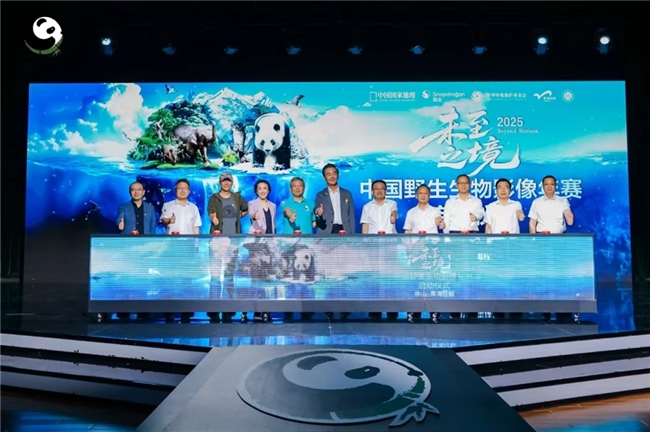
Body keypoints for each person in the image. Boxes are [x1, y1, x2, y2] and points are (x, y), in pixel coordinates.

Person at [528, 175, 575, 323]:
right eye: (546, 184)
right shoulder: (537, 202)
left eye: (552, 184)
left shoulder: (562, 201)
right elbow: (532, 222)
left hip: (559, 241)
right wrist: (533, 239)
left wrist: (569, 217)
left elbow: (567, 212)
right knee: (543, 275)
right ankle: (545, 309)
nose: (549, 186)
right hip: (542, 241)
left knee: (560, 274)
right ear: (542, 186)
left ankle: (562, 308)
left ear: (555, 186)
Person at [314, 163, 356, 319]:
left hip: (344, 232)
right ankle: (329, 305)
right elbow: (316, 211)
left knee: (344, 269)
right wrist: (318, 212)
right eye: (328, 174)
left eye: (334, 173)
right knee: (328, 270)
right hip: (327, 232)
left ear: (338, 175)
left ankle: (345, 306)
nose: (331, 176)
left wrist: (351, 236)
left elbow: (351, 216)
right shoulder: (321, 195)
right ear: (324, 177)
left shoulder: (346, 194)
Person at [206, 171, 249, 322]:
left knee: (230, 274)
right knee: (215, 275)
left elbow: (245, 209)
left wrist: (238, 216)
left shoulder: (237, 197)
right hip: (217, 239)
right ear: (220, 182)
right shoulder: (214, 198)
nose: (226, 183)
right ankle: (213, 308)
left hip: (233, 240)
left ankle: (228, 308)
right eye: (224, 181)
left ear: (231, 183)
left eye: (228, 181)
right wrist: (214, 218)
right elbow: (211, 212)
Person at [113, 181, 157, 321]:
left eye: (139, 189)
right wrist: (120, 223)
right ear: (130, 192)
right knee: (126, 278)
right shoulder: (124, 207)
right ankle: (123, 309)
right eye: (133, 190)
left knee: (142, 278)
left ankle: (142, 308)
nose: (136, 192)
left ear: (143, 192)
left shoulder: (150, 208)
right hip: (128, 247)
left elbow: (152, 228)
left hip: (145, 248)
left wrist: (153, 246)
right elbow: (119, 218)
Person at [160, 178, 202, 322]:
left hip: (188, 245)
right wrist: (169, 221)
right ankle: (169, 310)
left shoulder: (193, 208)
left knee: (187, 277)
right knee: (170, 277)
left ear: (189, 191)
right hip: (172, 244)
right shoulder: (168, 205)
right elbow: (164, 220)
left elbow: (196, 227)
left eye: (185, 188)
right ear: (175, 190)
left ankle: (186, 309)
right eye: (180, 188)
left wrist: (196, 245)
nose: (182, 190)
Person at [443, 174, 484, 319]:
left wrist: (475, 217)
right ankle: (455, 308)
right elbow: (446, 221)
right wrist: (447, 240)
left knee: (472, 271)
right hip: (455, 236)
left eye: (466, 183)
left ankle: (472, 308)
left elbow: (481, 213)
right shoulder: (450, 202)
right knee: (456, 272)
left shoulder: (476, 201)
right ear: (456, 185)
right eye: (460, 183)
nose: (463, 185)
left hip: (472, 236)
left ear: (470, 184)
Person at [403, 184, 446, 323]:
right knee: (416, 280)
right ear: (416, 195)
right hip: (416, 250)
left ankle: (434, 310)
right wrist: (408, 248)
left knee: (432, 280)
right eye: (420, 193)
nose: (423, 195)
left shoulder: (435, 210)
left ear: (429, 195)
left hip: (432, 249)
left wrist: (440, 223)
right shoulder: (411, 212)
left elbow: (438, 219)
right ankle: (414, 310)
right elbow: (407, 231)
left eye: (425, 193)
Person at [484, 178, 525, 320]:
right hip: (496, 245)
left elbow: (519, 213)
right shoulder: (491, 207)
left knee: (514, 276)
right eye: (500, 187)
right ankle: (498, 309)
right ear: (496, 190)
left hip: (512, 244)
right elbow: (488, 226)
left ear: (510, 190)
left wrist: (520, 215)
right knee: (497, 277)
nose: (503, 190)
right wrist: (488, 244)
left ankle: (515, 309)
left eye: (506, 187)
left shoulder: (516, 204)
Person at [279, 177, 317, 321]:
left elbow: (314, 223)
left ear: (304, 188)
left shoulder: (311, 204)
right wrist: (291, 215)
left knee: (308, 278)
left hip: (307, 246)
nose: (297, 188)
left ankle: (307, 310)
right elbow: (287, 211)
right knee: (290, 278)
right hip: (290, 247)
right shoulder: (285, 203)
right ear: (290, 189)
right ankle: (288, 310)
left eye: (300, 186)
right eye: (294, 186)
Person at [361, 180, 399, 321]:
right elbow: (365, 226)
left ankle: (392, 311)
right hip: (373, 246)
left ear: (386, 191)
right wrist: (365, 246)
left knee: (390, 278)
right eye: (376, 188)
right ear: (372, 191)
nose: (379, 191)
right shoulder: (367, 207)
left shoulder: (392, 204)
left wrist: (393, 217)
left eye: (382, 188)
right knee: (374, 278)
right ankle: (374, 311)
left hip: (390, 245)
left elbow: (394, 212)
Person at [247, 179, 276, 322]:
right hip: (257, 243)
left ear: (268, 190)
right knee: (256, 277)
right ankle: (257, 309)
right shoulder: (252, 204)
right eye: (260, 188)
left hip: (269, 244)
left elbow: (272, 225)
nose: (262, 190)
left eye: (265, 188)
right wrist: (254, 216)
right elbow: (251, 215)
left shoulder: (273, 206)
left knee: (268, 276)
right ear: (256, 191)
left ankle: (267, 309)